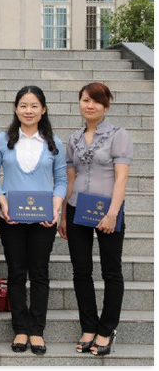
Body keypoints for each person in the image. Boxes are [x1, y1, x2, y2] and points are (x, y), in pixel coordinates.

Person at [59, 83, 133, 357]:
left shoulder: (118, 135)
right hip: (77, 209)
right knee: (81, 271)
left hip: (108, 209)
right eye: (85, 100)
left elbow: (121, 178)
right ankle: (88, 327)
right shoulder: (73, 138)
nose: (90, 105)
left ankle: (106, 329)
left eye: (96, 101)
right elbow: (70, 179)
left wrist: (112, 213)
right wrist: (63, 215)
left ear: (106, 106)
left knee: (111, 271)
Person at [0, 86, 67, 355]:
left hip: (43, 221)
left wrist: (55, 208)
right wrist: (2, 203)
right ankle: (20, 329)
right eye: (23, 105)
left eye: (34, 106)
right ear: (16, 109)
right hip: (11, 219)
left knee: (39, 273)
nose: (28, 110)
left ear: (43, 110)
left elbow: (61, 180)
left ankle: (36, 329)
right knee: (16, 273)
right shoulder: (2, 140)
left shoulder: (54, 143)